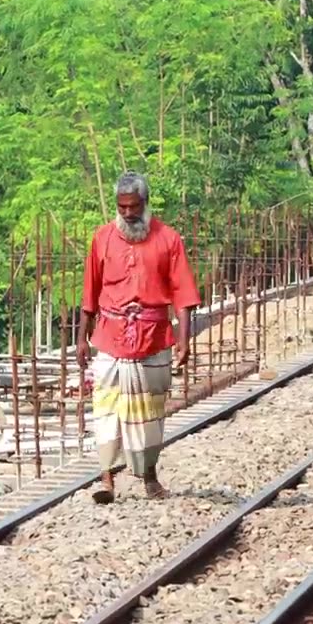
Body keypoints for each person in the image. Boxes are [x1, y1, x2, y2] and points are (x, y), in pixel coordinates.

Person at [78, 171, 201, 503]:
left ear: (145, 204)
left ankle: (149, 476)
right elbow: (90, 291)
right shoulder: (102, 238)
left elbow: (184, 294)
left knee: (149, 412)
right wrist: (81, 337)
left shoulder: (168, 239)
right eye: (122, 208)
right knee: (106, 410)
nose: (128, 213)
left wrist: (184, 339)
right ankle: (106, 478)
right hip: (109, 336)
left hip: (153, 336)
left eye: (133, 207)